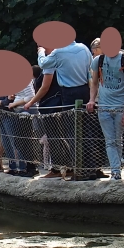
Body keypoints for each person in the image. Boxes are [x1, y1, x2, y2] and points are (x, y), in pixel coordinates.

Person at [36, 35, 92, 176]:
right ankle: (90, 168)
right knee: (86, 131)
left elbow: (43, 64)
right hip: (85, 90)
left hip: (69, 93)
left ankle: (78, 169)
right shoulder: (84, 48)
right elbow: (91, 70)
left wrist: (41, 52)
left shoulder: (58, 52)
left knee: (71, 132)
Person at [87, 44, 124, 179]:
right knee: (110, 140)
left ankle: (116, 169)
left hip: (120, 105)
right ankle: (115, 171)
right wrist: (92, 100)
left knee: (117, 139)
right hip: (104, 106)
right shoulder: (98, 60)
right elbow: (94, 82)